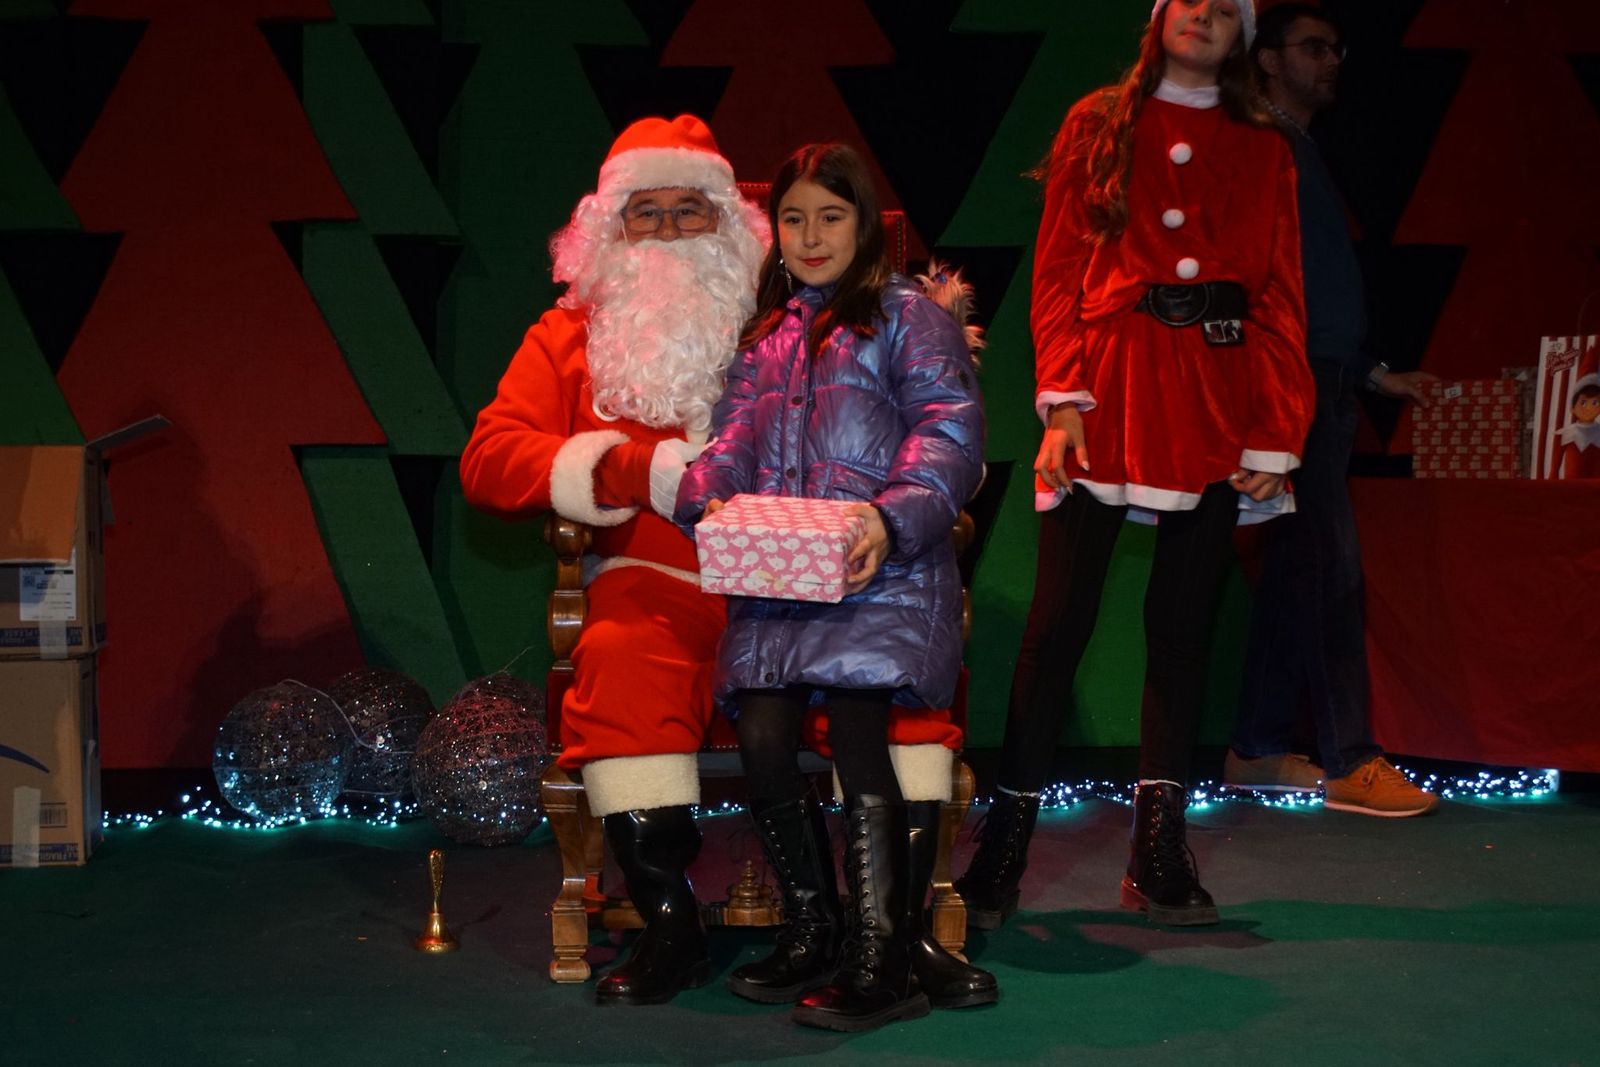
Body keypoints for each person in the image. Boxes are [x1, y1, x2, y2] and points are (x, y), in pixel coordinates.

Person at [955, 0, 1315, 929]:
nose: (1201, 13)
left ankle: (1158, 850)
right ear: (1159, 16)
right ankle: (1004, 841)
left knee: (1183, 628)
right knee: (1057, 623)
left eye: (1223, 5)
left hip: (1215, 397)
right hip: (1111, 388)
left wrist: (1276, 430)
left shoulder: (1264, 146)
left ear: (1243, 32)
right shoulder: (1095, 122)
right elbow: (1058, 273)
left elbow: (1278, 294)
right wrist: (1063, 399)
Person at [676, 142, 988, 1032]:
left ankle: (878, 955)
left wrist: (891, 519)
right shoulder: (767, 335)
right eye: (794, 218)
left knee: (857, 731)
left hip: (878, 572)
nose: (811, 237)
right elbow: (733, 440)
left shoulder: (906, 317)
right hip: (778, 578)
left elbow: (950, 432)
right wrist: (703, 494)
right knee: (764, 732)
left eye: (831, 216)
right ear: (774, 230)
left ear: (866, 225)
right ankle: (814, 928)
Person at [460, 115, 771, 1005]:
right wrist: (624, 466)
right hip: (654, 582)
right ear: (609, 230)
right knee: (623, 655)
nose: (670, 235)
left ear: (728, 227)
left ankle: (861, 917)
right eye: (648, 215)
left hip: (786, 582)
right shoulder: (568, 335)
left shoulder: (779, 326)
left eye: (691, 213)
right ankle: (671, 924)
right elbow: (488, 458)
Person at [1224, 3, 1441, 817]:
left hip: (1329, 382)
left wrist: (1372, 372)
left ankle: (1254, 744)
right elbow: (1275, 285)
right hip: (1296, 389)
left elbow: (1317, 284)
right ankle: (1351, 756)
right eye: (1313, 48)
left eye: (1337, 48)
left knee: (1296, 570)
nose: (1333, 61)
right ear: (1270, 60)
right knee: (1331, 570)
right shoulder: (1264, 147)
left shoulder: (1299, 149)